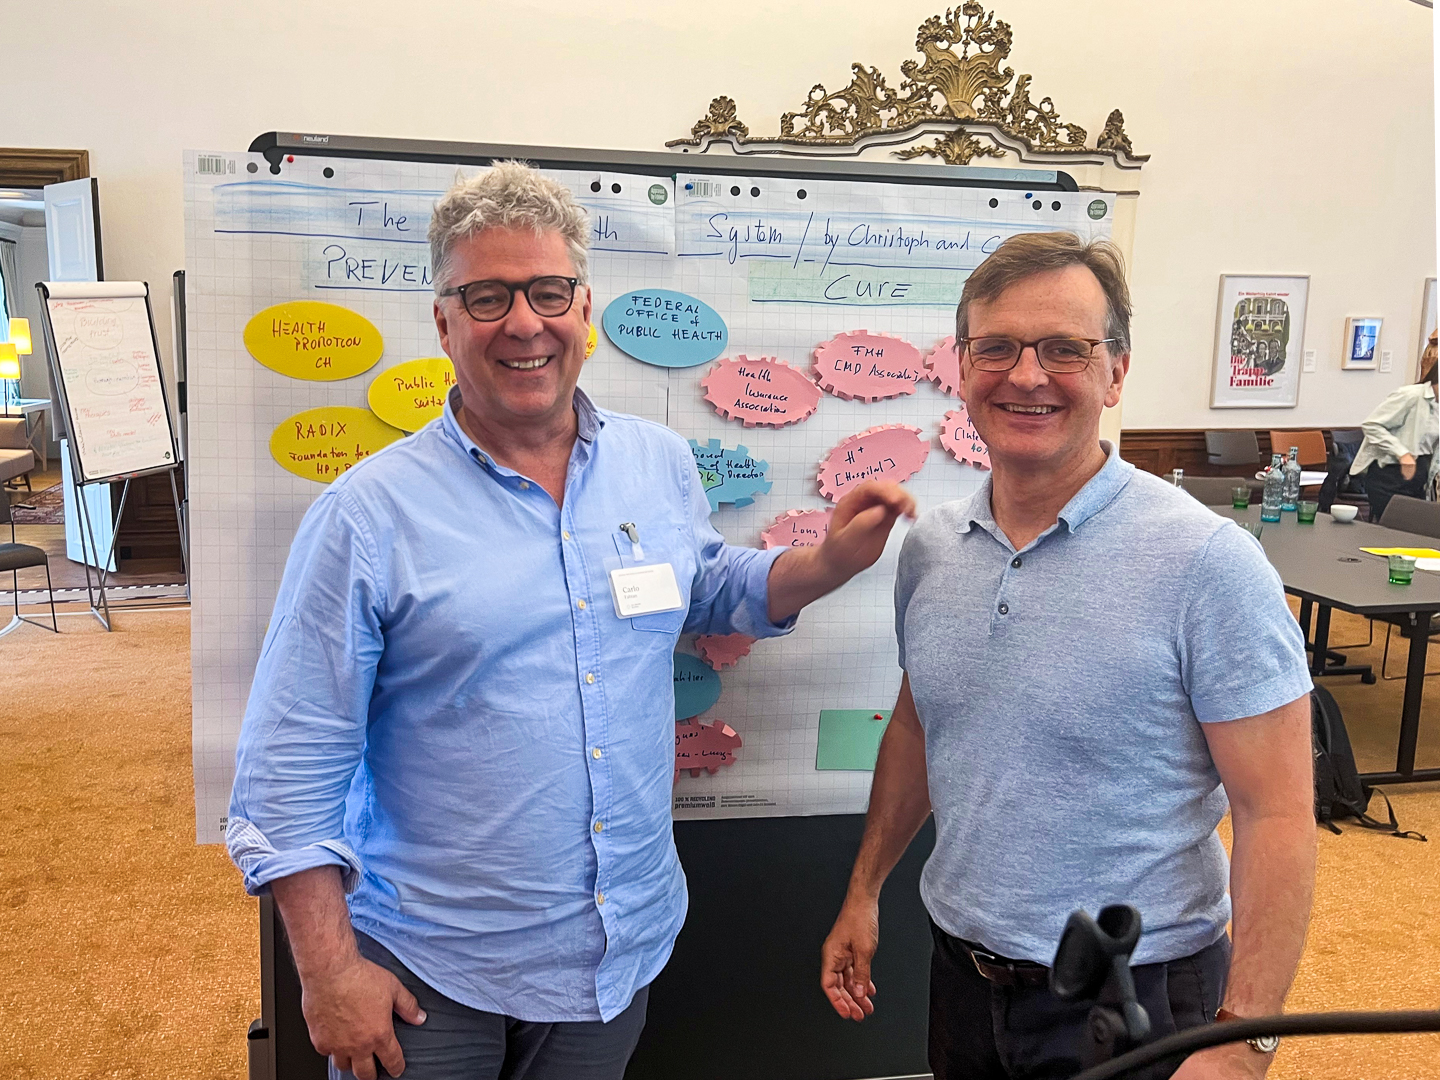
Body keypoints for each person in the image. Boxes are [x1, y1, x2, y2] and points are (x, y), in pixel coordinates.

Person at [228, 162, 915, 1080]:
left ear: (583, 310)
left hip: (614, 955)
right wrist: (325, 972)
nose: (524, 322)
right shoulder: (366, 515)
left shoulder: (656, 463)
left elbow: (706, 587)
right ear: (443, 322)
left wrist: (825, 564)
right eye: (486, 296)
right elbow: (288, 767)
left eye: (548, 291)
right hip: (430, 970)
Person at [819, 233, 1316, 1080]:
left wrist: (1243, 1042)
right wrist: (864, 890)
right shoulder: (932, 549)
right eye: (997, 347)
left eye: (1064, 349)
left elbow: (1276, 814)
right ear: (963, 366)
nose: (1026, 375)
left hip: (1136, 996)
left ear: (1115, 372)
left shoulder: (1208, 563)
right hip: (964, 978)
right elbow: (917, 728)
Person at [1348, 352, 1437, 522]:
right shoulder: (1411, 395)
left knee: (1414, 531)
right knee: (1394, 527)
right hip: (1390, 475)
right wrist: (1402, 453)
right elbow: (1372, 425)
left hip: (1419, 477)